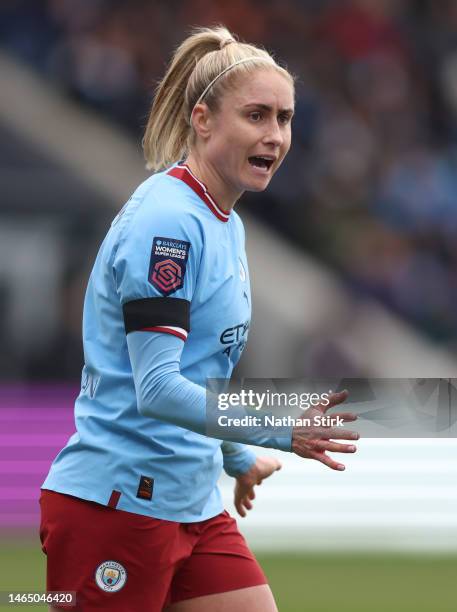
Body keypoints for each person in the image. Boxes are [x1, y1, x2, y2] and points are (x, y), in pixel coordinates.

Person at [39, 25, 358, 612]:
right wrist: (278, 426)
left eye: (284, 118)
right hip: (120, 507)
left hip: (192, 505)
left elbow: (201, 367)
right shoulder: (169, 223)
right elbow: (158, 387)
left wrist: (237, 457)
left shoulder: (225, 221)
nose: (275, 136)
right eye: (257, 116)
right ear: (203, 120)